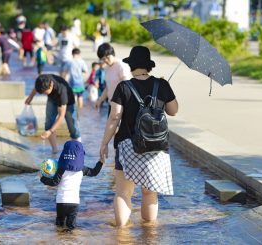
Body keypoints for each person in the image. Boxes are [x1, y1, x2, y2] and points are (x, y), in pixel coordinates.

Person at [99, 46, 178, 227]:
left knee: (123, 193)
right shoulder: (162, 84)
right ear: (149, 66)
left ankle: (121, 235)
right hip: (156, 147)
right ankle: (149, 235)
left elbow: (114, 116)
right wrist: (164, 91)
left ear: (132, 65)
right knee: (150, 193)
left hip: (128, 145)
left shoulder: (124, 87)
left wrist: (104, 143)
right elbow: (173, 111)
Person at [40, 140, 103, 232]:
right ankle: (70, 241)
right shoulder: (82, 169)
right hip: (74, 203)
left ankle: (59, 240)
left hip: (61, 201)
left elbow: (54, 182)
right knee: (71, 227)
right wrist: (100, 162)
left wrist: (42, 178)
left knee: (59, 224)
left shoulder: (61, 169)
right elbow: (94, 172)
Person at [25, 74, 81, 154]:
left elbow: (61, 116)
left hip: (68, 103)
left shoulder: (62, 91)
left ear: (51, 85)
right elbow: (37, 88)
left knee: (73, 128)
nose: (44, 94)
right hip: (52, 99)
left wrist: (50, 131)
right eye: (42, 93)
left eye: (45, 92)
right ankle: (54, 151)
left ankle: (78, 151)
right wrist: (30, 97)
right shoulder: (43, 81)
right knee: (48, 124)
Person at [95, 43, 131, 116]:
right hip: (111, 103)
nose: (106, 60)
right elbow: (108, 88)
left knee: (115, 127)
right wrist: (100, 100)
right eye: (103, 59)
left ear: (113, 54)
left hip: (122, 105)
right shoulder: (106, 68)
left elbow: (127, 86)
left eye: (107, 57)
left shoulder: (121, 66)